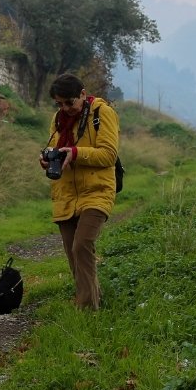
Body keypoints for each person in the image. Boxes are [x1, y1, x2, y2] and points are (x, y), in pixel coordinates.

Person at [39, 73, 119, 309]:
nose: (65, 108)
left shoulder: (102, 114)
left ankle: (86, 309)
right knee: (74, 255)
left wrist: (75, 153)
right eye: (59, 104)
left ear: (83, 94)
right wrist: (48, 158)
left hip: (97, 190)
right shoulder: (58, 119)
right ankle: (94, 298)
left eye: (69, 102)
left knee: (82, 244)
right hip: (66, 194)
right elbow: (55, 147)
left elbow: (109, 155)